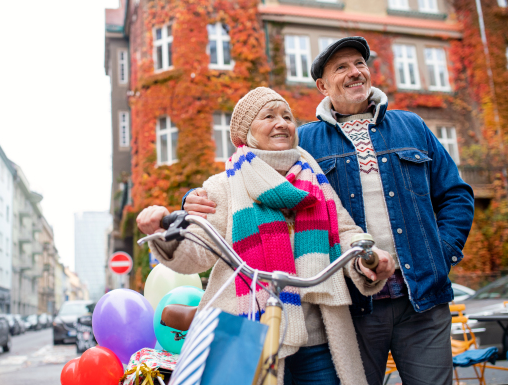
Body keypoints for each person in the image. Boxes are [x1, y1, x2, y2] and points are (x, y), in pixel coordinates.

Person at [183, 37, 476, 385]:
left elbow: (456, 194)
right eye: (341, 67)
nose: (355, 72)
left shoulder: (411, 126)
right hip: (354, 306)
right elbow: (250, 173)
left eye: (360, 64)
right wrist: (192, 198)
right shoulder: (304, 142)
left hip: (422, 300)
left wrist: (440, 254)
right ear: (322, 85)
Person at [137, 87, 396, 385]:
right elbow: (198, 252)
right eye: (269, 116)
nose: (282, 122)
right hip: (250, 336)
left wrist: (368, 259)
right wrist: (162, 232)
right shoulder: (223, 186)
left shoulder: (315, 180)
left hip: (318, 340)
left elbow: (346, 232)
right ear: (247, 132)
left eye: (287, 116)